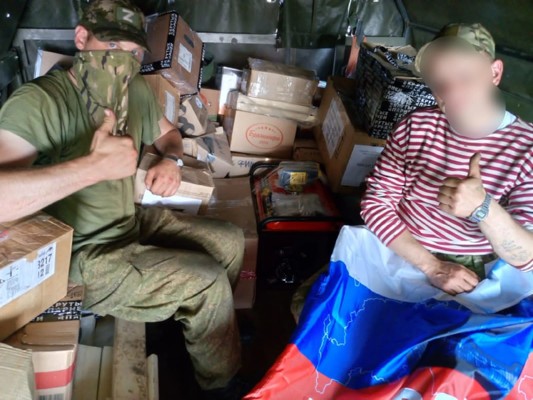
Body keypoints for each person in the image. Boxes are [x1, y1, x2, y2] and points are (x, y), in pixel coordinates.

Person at [0, 1, 245, 398]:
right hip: (80, 257)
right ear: (82, 38)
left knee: (230, 241)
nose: (122, 60)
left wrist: (170, 160)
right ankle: (220, 385)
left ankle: (199, 334)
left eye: (132, 52)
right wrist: (92, 167)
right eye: (112, 46)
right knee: (208, 282)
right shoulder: (40, 101)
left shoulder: (135, 91)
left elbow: (169, 135)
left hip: (127, 222)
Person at [361, 22, 533, 294]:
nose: (450, 92)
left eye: (465, 76)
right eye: (439, 81)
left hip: (470, 269)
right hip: (400, 246)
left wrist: (483, 207)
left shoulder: (527, 148)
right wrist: (432, 266)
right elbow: (376, 203)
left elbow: (526, 258)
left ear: (494, 73)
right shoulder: (414, 126)